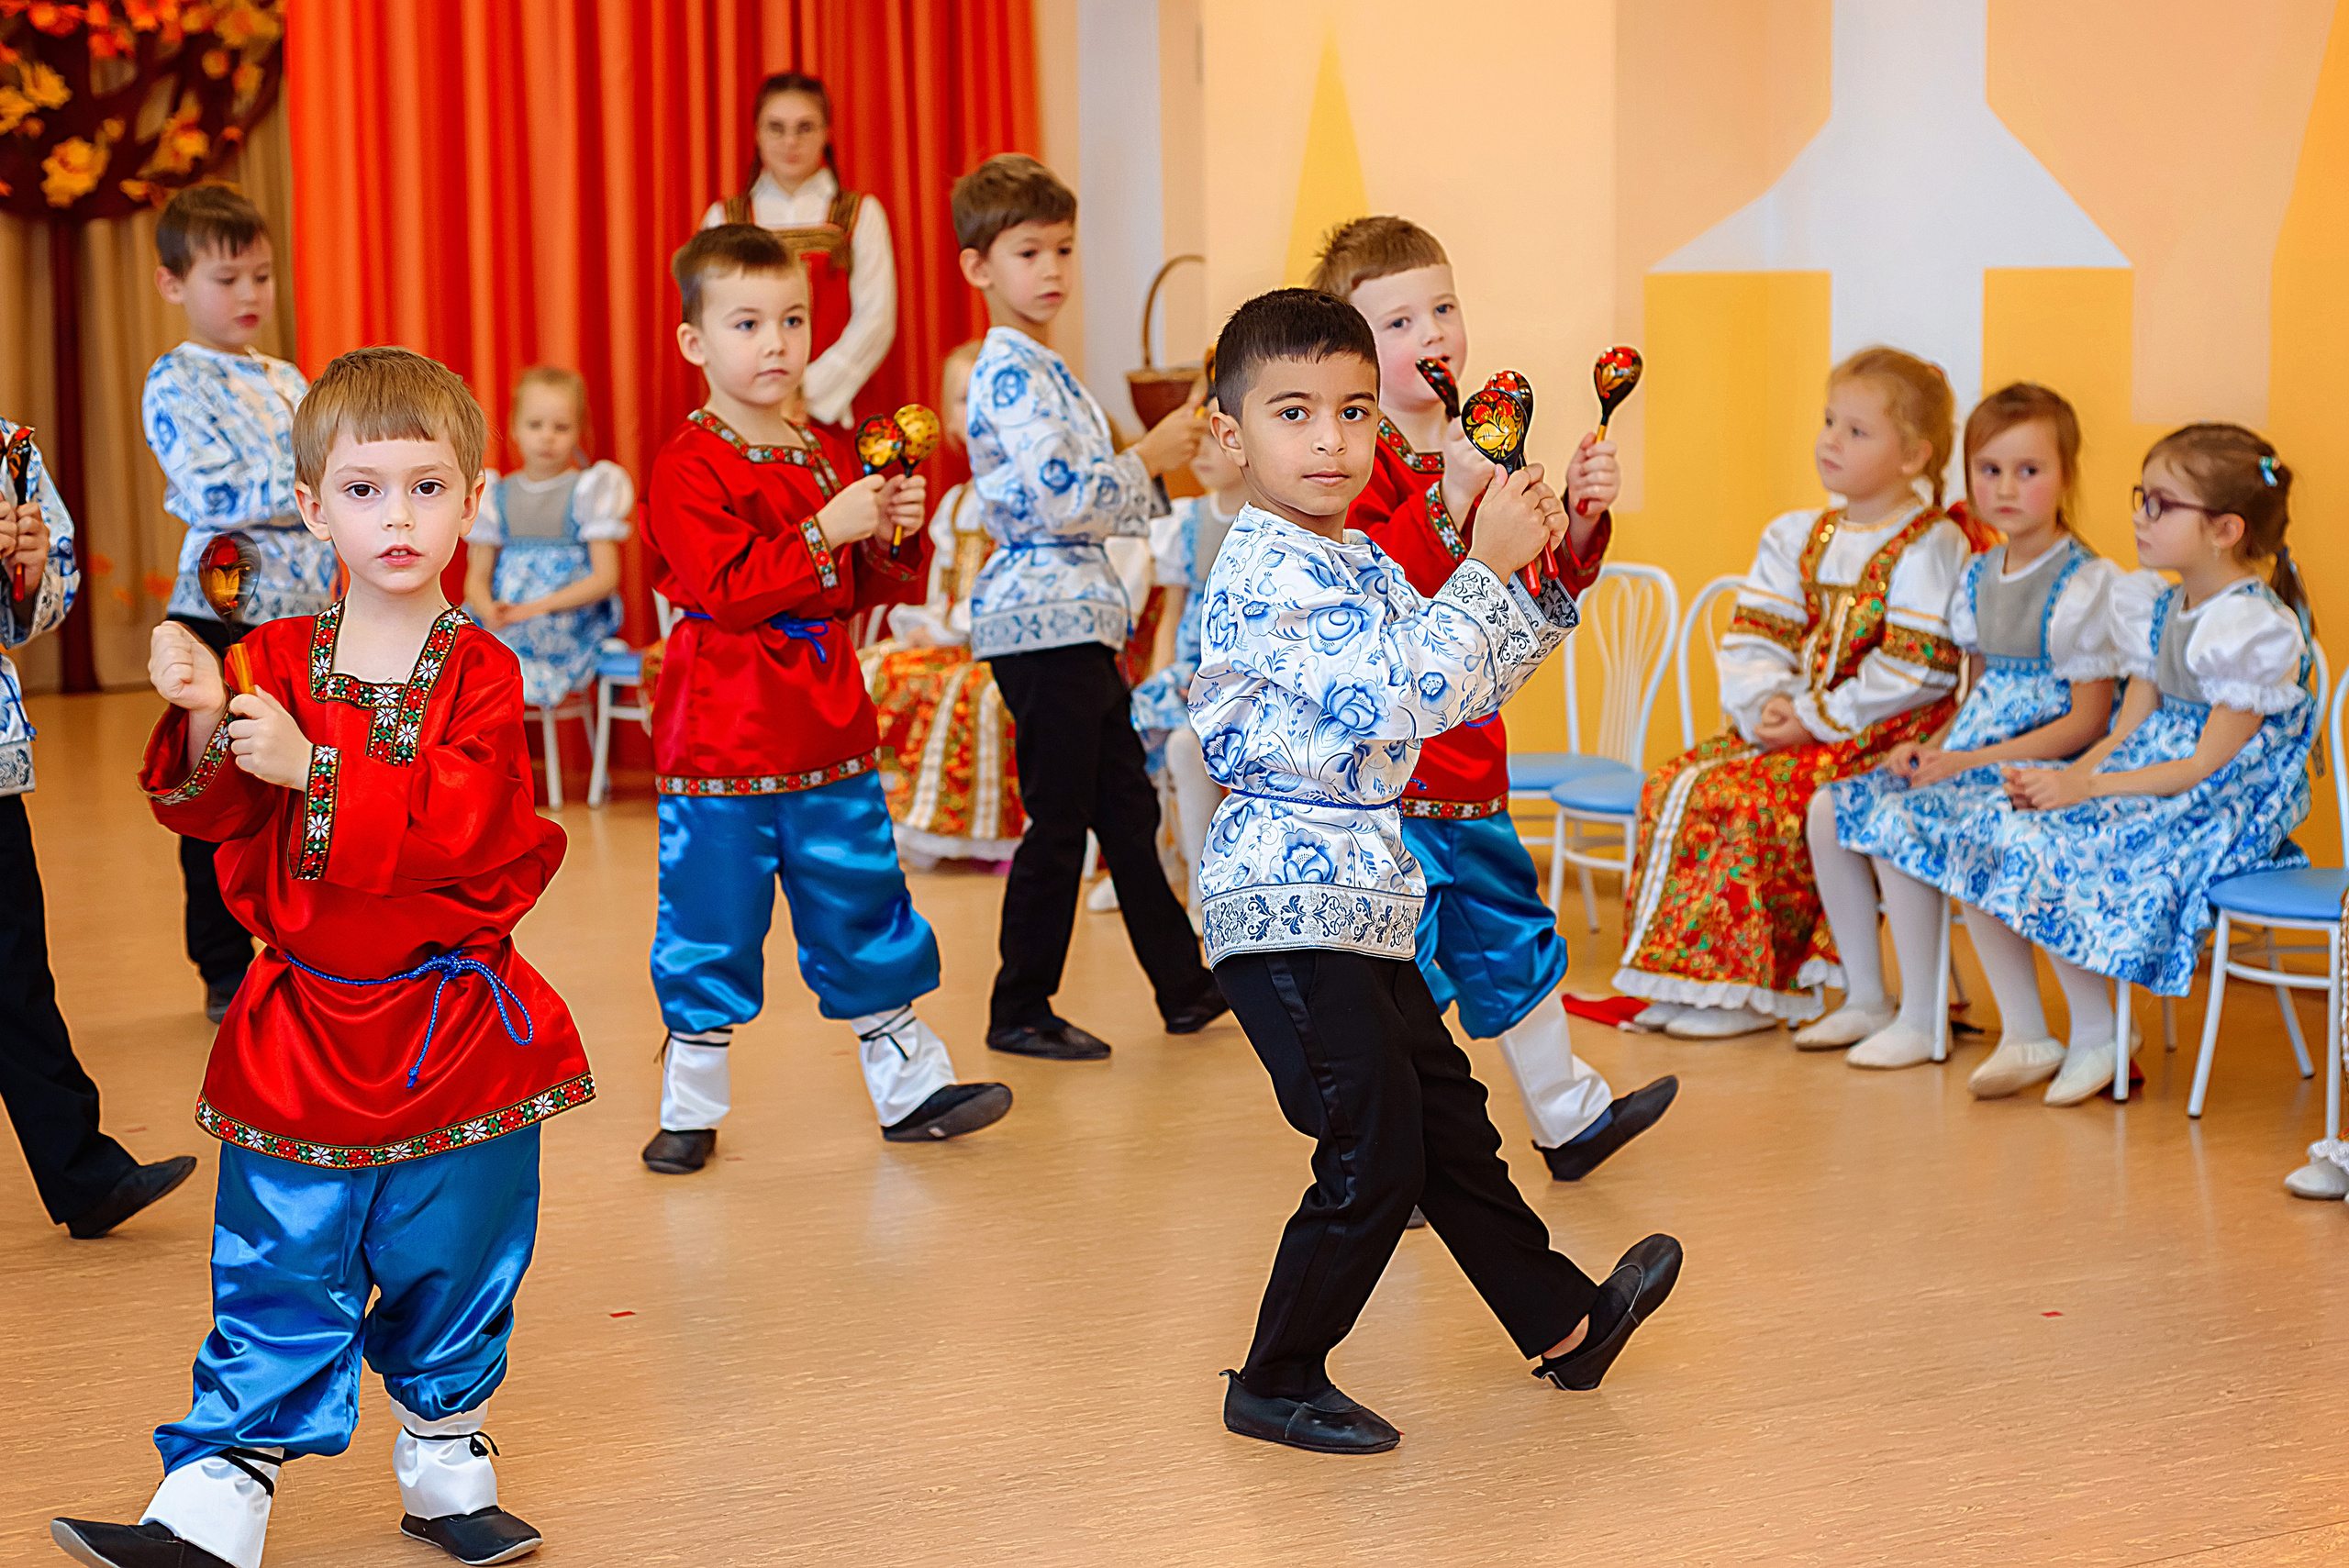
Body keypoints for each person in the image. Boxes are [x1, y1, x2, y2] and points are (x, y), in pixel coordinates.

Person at [55, 348, 592, 1568]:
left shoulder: (485, 674)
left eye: (425, 487)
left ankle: (449, 1462)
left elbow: (475, 824)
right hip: (304, 1028)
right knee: (278, 1249)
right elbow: (216, 814)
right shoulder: (278, 662)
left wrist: (321, 770)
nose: (395, 518)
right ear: (309, 505)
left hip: (458, 1033)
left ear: (472, 499)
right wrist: (201, 710)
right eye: (361, 490)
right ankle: (216, 1498)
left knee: (455, 1251)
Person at [1191, 287, 1682, 1455]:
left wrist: (1538, 565)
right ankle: (1274, 1376)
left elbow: (1454, 678)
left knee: (1447, 1122)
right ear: (1229, 435)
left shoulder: (1353, 553)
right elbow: (1397, 689)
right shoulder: (1265, 566)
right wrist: (1479, 565)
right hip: (1284, 909)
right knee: (1374, 1150)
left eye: (1354, 412)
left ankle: (1563, 1320)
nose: (1329, 439)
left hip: (1359, 898)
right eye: (1293, 412)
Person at [638, 224, 1011, 1175]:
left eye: (793, 319)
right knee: (709, 914)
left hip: (826, 721)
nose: (775, 342)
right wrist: (826, 526)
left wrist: (890, 532)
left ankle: (910, 1084)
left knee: (859, 893)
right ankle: (689, 1100)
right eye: (748, 322)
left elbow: (860, 587)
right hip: (722, 730)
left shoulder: (826, 446)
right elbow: (725, 586)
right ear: (695, 342)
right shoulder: (685, 463)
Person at [1312, 215, 1676, 1181]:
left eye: (1442, 308)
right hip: (1388, 779)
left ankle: (1570, 1114)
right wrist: (1450, 501)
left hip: (1470, 758)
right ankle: (1410, 1155)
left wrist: (1579, 518)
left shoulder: (1487, 443)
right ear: (1351, 353)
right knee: (1405, 973)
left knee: (1512, 933)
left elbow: (1534, 594)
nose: (1430, 333)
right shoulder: (1352, 466)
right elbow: (1375, 591)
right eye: (1397, 322)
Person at [1932, 425, 2317, 1107]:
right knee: (1991, 826)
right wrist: (2071, 780)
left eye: (2162, 505)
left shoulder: (2251, 629)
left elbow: (2206, 765)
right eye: (2143, 497)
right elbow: (2129, 729)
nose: (2140, 516)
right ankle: (2026, 1031)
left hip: (2216, 810)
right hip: (2149, 781)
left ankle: (2100, 1033)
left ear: (2226, 528)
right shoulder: (2158, 605)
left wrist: (2087, 787)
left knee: (2058, 845)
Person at [952, 153, 1224, 1061]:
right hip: (1042, 621)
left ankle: (1182, 985)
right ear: (979, 266)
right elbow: (1067, 499)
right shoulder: (1006, 373)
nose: (1052, 269)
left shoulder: (1045, 367)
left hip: (1077, 614)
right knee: (1062, 817)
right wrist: (1147, 452)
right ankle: (1017, 1005)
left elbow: (1081, 496)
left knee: (1121, 808)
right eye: (1029, 251)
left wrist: (1142, 458)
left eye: (1063, 248)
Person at [1616, 347, 1971, 1039]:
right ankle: (1693, 979)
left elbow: (1915, 669)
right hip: (1801, 726)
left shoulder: (1932, 544)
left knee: (1751, 799)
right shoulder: (1798, 534)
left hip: (1883, 734)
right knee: (1676, 780)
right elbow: (1756, 636)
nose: (1830, 440)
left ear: (1913, 456)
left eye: (1857, 431)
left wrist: (1813, 715)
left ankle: (1754, 991)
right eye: (1829, 420)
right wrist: (1764, 703)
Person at [1800, 384, 2128, 1083]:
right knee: (1838, 806)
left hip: (2042, 757)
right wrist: (1938, 746)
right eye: (1989, 469)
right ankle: (1885, 1000)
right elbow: (1975, 692)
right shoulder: (1979, 573)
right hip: (1975, 747)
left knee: (1924, 820)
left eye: (2028, 470)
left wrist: (1967, 761)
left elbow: (2087, 719)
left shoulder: (2086, 582)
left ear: (2065, 475)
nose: (2005, 487)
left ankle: (1997, 1024)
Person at [0, 419, 197, 1240]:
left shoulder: (10, 444)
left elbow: (33, 612)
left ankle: (83, 1175)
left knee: (13, 963)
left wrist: (28, 571)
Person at [143, 183, 332, 1024]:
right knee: (217, 784)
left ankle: (298, 939)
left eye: (261, 275)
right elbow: (213, 493)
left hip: (302, 614)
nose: (252, 294)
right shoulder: (172, 380)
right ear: (173, 284)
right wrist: (323, 490)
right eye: (229, 279)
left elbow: (331, 475)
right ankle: (223, 963)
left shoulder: (288, 376)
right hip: (219, 614)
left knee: (296, 778)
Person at [859, 341, 1030, 862]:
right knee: (872, 666)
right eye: (962, 398)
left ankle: (968, 830)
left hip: (1005, 642)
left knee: (965, 690)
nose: (977, 410)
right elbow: (945, 587)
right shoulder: (957, 502)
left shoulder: (1027, 498)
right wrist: (929, 623)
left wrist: (951, 629)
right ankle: (886, 816)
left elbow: (1011, 589)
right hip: (956, 633)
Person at [701, 72, 896, 428]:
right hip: (748, 407)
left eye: (805, 128)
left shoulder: (860, 214)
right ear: (757, 134)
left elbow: (876, 319)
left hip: (837, 407)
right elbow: (708, 321)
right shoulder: (723, 219)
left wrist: (806, 390)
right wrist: (764, 392)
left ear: (827, 132)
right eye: (776, 128)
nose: (790, 141)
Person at [1125, 416, 1248, 916]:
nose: (1201, 452)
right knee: (1130, 730)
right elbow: (1174, 614)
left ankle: (1207, 884)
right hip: (1192, 667)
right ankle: (1147, 860)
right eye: (1195, 440)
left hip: (1240, 672)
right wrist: (1162, 676)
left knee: (1181, 747)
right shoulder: (1188, 520)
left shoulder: (1271, 516)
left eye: (1215, 441)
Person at [462, 367, 635, 712]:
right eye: (535, 425)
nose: (547, 437)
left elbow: (605, 578)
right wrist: (488, 608)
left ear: (579, 432)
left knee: (504, 655)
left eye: (561, 427)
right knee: (463, 646)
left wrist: (536, 608)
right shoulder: (496, 494)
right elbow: (476, 577)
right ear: (514, 428)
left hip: (564, 623)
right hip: (505, 621)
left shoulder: (588, 491)